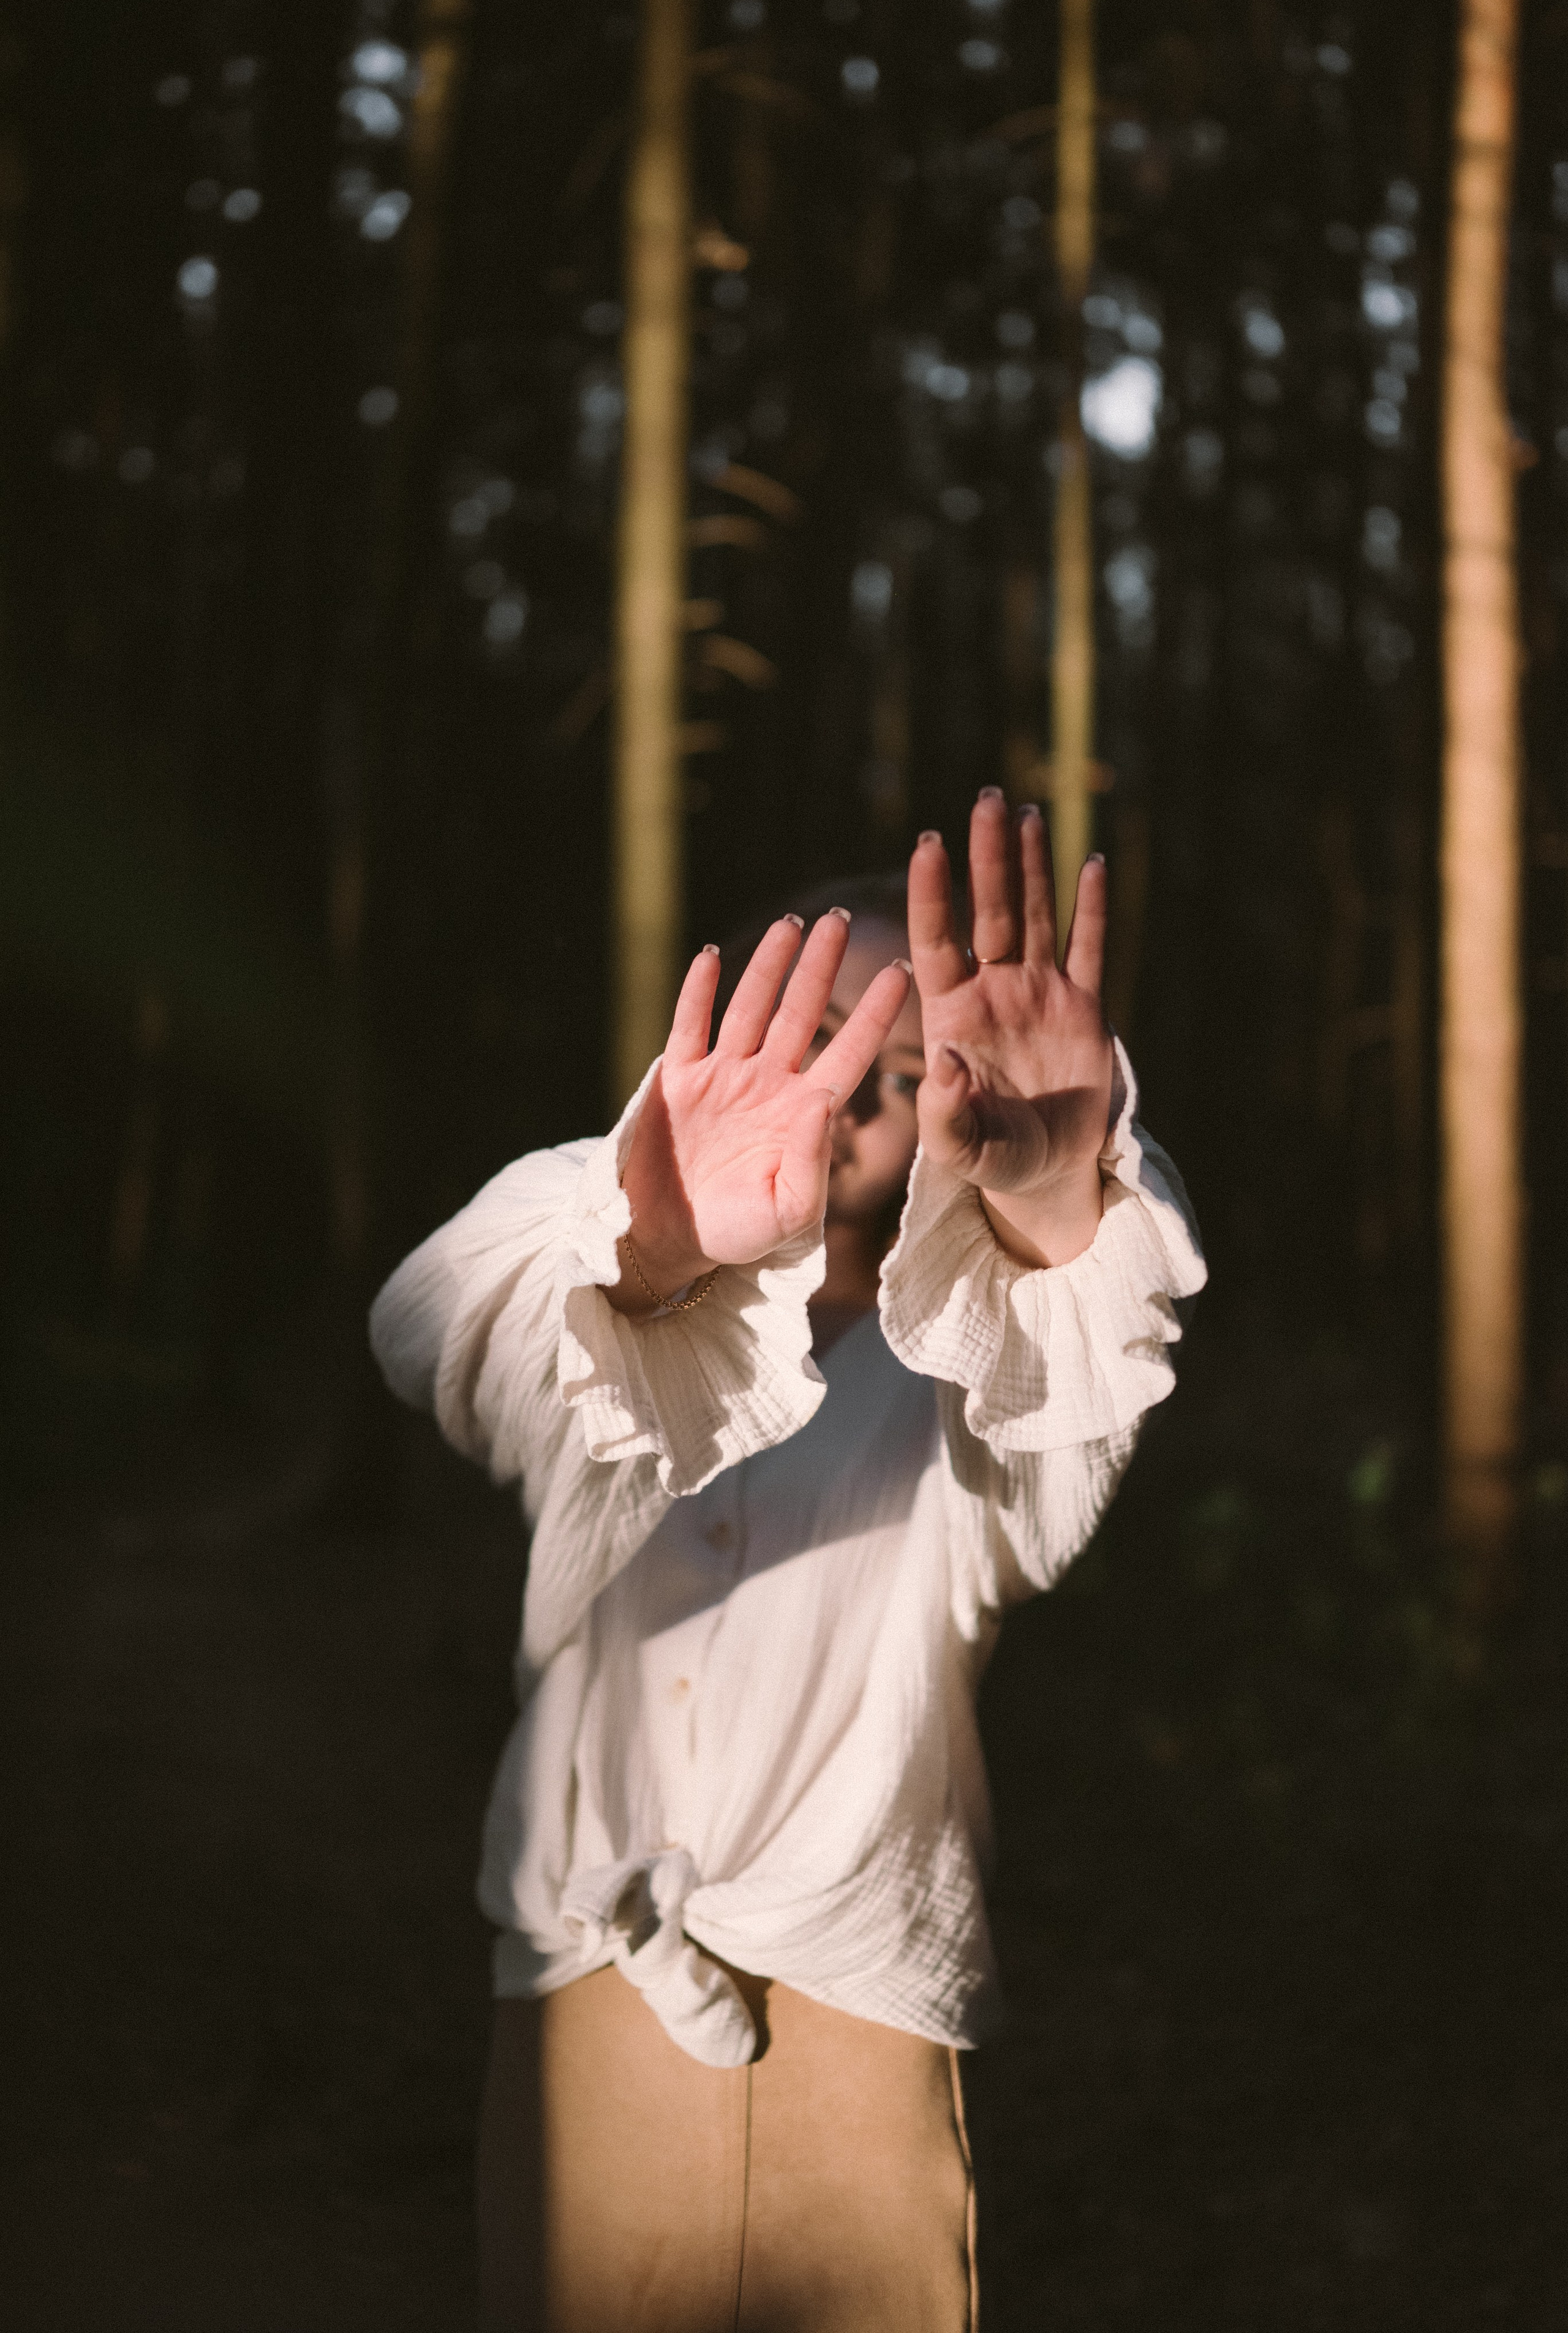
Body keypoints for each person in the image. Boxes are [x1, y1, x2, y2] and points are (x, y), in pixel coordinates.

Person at [369, 790, 1205, 2332]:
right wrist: (654, 1241)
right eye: (823, 1037)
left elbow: (1070, 1401)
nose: (860, 1098)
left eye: (913, 1069)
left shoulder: (977, 1375)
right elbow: (438, 1333)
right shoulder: (609, 1303)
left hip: (847, 2002)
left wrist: (1049, 1206)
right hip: (572, 1985)